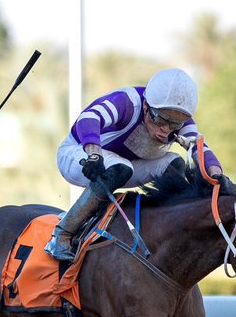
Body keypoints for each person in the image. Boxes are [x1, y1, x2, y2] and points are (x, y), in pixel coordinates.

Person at [44, 67, 223, 262]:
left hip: (126, 164)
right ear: (146, 106)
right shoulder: (128, 102)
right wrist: (94, 154)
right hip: (78, 153)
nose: (165, 130)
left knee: (174, 164)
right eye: (160, 119)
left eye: (174, 124)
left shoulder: (182, 123)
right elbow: (89, 117)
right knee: (121, 168)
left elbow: (200, 149)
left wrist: (219, 178)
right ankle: (62, 234)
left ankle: (159, 233)